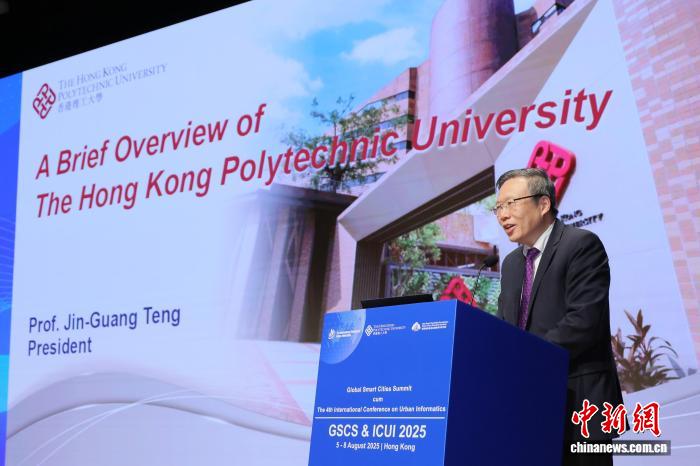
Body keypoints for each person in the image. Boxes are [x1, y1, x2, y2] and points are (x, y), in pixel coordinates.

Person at [495, 168, 624, 466]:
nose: (503, 215)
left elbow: (583, 321)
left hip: (579, 404)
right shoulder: (512, 264)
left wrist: (526, 359)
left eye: (511, 204)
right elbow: (505, 328)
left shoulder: (581, 244)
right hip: (530, 406)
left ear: (543, 204)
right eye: (498, 207)